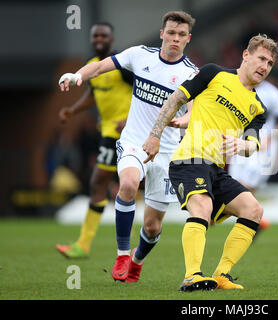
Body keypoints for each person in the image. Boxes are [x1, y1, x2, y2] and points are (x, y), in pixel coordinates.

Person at [58, 11, 197, 283]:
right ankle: (122, 254)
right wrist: (77, 75)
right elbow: (98, 67)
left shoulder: (191, 73)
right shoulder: (140, 55)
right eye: (171, 33)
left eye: (181, 35)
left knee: (153, 226)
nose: (175, 39)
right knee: (129, 184)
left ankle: (136, 260)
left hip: (167, 152)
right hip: (133, 142)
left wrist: (184, 121)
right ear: (162, 34)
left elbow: (193, 111)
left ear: (188, 39)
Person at [142, 34, 278, 291]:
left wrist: (244, 145)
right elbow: (176, 99)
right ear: (246, 55)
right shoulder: (213, 74)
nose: (264, 66)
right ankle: (191, 276)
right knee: (202, 207)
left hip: (216, 169)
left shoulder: (258, 108)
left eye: (270, 63)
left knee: (253, 210)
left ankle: (221, 275)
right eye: (261, 58)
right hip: (189, 159)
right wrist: (154, 135)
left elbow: (253, 144)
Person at [56, 22, 133, 259]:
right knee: (99, 181)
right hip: (109, 133)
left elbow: (142, 91)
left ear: (112, 38)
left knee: (118, 182)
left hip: (131, 132)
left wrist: (130, 119)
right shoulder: (91, 67)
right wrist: (73, 110)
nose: (99, 38)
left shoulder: (121, 64)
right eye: (95, 35)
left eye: (104, 35)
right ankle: (84, 244)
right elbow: (93, 92)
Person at [227, 80, 278, 238]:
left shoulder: (272, 93)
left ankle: (251, 221)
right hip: (240, 143)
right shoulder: (235, 84)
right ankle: (255, 221)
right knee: (233, 187)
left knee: (243, 188)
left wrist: (270, 137)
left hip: (262, 148)